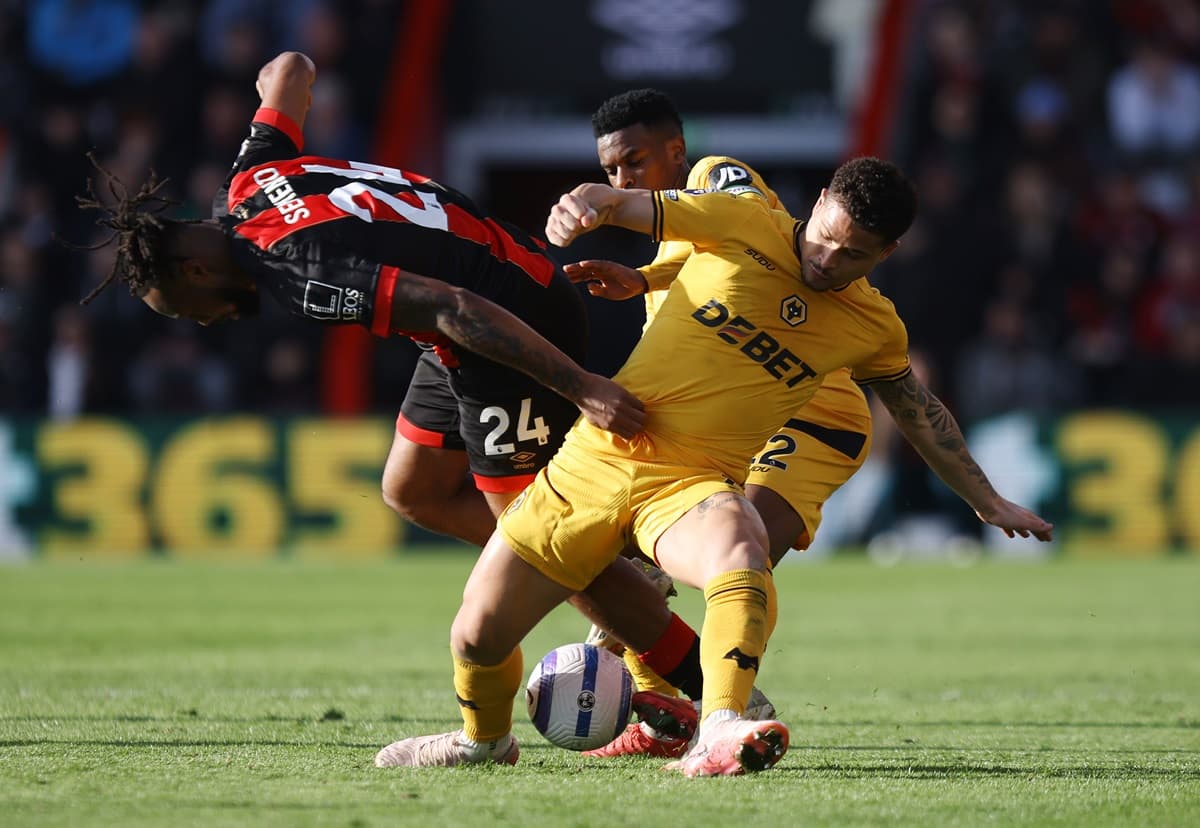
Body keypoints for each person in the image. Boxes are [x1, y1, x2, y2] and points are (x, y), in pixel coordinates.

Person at [373, 157, 1053, 777]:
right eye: (826, 236)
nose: (827, 259)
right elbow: (626, 203)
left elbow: (917, 409)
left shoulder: (873, 325)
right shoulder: (739, 218)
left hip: (689, 484)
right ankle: (482, 741)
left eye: (854, 255)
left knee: (740, 544)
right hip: (592, 465)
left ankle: (722, 725)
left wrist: (987, 501)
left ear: (887, 253)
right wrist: (583, 206)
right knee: (476, 634)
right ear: (816, 203)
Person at [569, 89, 880, 758]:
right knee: (638, 554)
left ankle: (717, 700)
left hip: (813, 413)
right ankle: (674, 714)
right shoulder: (671, 261)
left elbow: (749, 228)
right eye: (610, 169)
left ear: (674, 153)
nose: (621, 182)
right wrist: (644, 278)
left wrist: (648, 273)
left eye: (633, 163)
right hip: (735, 428)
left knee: (732, 560)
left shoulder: (717, 175)